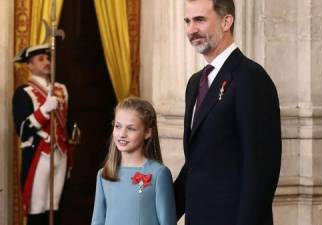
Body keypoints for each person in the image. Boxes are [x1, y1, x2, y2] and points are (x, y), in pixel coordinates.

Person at [174, 0, 282, 225]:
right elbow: (196, 163)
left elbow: (261, 170)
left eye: (200, 20)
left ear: (226, 21)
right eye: (187, 21)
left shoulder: (251, 79)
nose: (191, 29)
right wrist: (158, 212)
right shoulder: (195, 83)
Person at [12, 43, 73, 225]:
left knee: (54, 206)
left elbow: (65, 125)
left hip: (60, 153)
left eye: (48, 58)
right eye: (41, 59)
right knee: (36, 208)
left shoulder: (61, 90)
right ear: (29, 65)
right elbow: (22, 130)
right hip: (39, 154)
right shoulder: (24, 93)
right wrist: (44, 110)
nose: (47, 62)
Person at [91, 97, 177, 225]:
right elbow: (97, 221)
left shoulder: (159, 174)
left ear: (147, 132)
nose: (122, 134)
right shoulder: (104, 174)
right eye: (118, 126)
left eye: (131, 128)